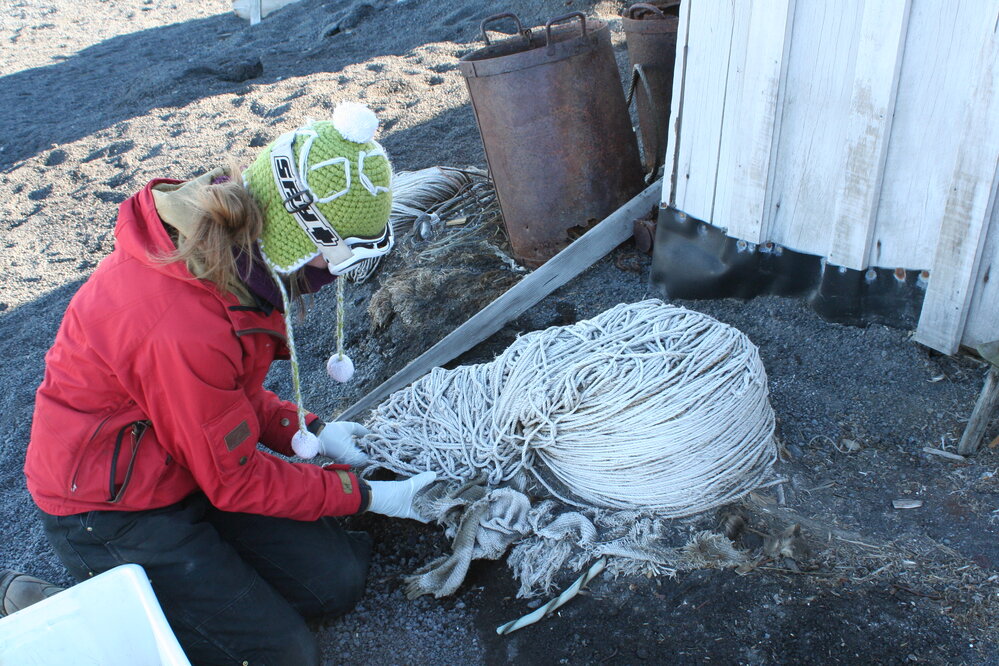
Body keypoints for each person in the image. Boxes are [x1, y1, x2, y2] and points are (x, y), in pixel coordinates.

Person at [19, 102, 436, 665]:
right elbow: (233, 480)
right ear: (299, 243)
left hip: (185, 462)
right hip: (111, 506)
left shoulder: (229, 257)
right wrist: (366, 494)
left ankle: (198, 590)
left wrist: (310, 430)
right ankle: (70, 611)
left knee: (336, 579)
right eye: (334, 259)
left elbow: (225, 402)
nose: (329, 278)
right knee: (282, 654)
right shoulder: (180, 323)